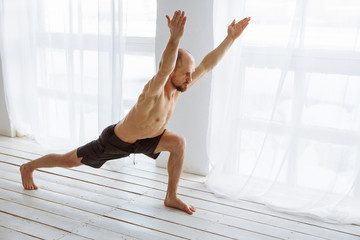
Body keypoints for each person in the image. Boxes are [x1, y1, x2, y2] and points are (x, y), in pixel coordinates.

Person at [20, 10, 251, 215]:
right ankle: (28, 167)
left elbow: (207, 65)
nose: (190, 79)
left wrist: (230, 38)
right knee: (68, 161)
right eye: (185, 74)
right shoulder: (154, 90)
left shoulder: (180, 88)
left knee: (178, 142)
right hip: (115, 141)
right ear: (172, 72)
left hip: (147, 140)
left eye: (190, 74)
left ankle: (171, 196)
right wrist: (174, 38)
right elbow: (164, 69)